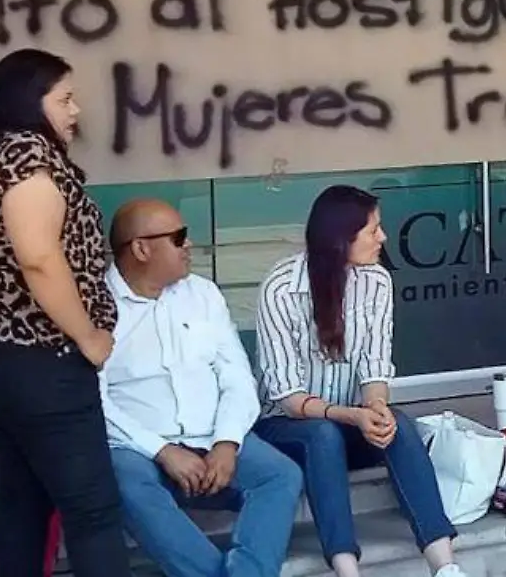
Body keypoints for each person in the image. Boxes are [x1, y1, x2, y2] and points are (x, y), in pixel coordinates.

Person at [251, 186, 465, 577]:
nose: (383, 238)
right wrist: (351, 415)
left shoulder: (377, 282)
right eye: (373, 231)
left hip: (350, 422)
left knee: (398, 425)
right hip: (285, 430)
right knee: (322, 435)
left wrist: (377, 407)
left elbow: (375, 367)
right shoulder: (281, 288)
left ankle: (445, 564)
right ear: (340, 239)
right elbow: (287, 397)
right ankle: (347, 568)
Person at [0, 48, 129, 577]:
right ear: (28, 101)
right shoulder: (26, 158)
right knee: (94, 512)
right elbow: (39, 259)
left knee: (22, 504)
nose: (75, 111)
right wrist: (87, 335)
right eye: (64, 98)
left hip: (5, 362)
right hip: (47, 360)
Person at [100, 200, 302, 577]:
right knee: (123, 482)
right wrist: (161, 450)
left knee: (280, 475)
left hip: (210, 435)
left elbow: (237, 376)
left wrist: (226, 442)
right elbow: (93, 401)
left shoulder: (203, 294)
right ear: (141, 248)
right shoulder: (96, 305)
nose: (189, 245)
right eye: (178, 238)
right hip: (137, 446)